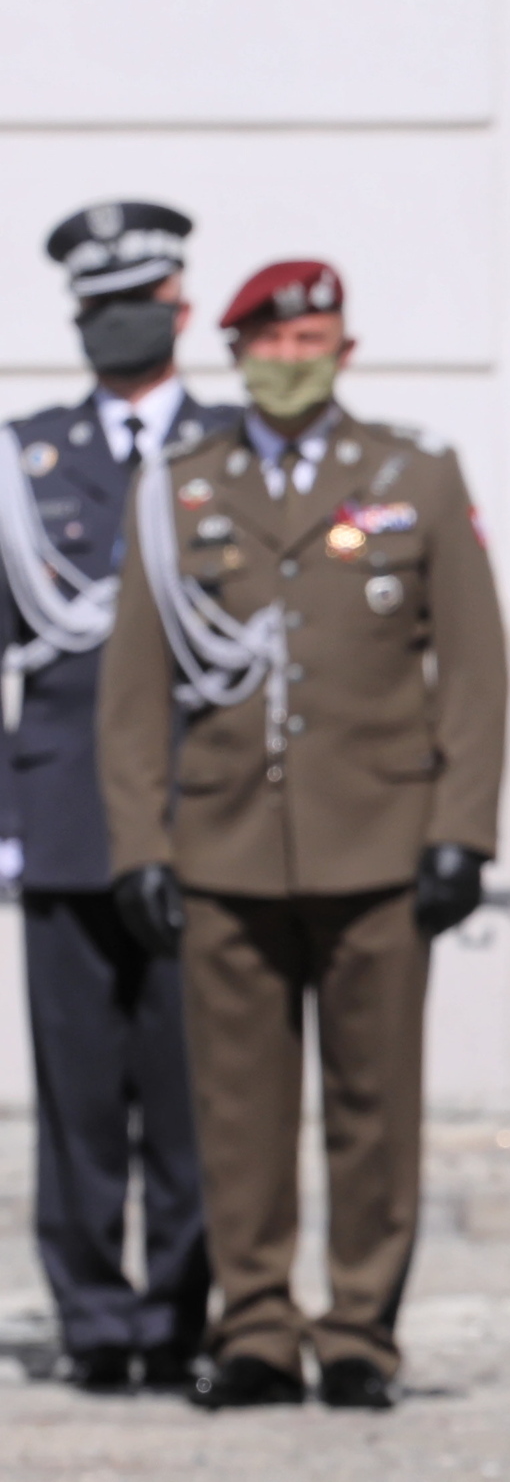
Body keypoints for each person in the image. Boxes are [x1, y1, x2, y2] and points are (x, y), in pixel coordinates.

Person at [96, 259, 508, 1411]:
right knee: (238, 1108)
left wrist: (462, 828)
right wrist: (141, 842)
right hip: (225, 846)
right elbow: (132, 687)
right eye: (270, 347)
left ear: (345, 347)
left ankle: (361, 1326)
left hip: (379, 839)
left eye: (311, 339)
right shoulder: (182, 487)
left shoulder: (411, 474)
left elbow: (473, 664)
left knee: (376, 1103)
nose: (291, 362)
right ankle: (257, 1325)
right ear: (236, 357)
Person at [0, 202, 229, 1390]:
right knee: (81, 1097)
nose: (112, 323)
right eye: (92, 308)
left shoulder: (231, 449)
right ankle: (94, 1317)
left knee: (194, 1092)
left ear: (179, 308)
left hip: (206, 819)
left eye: (132, 302)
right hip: (68, 818)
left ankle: (183, 1312)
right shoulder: (24, 460)